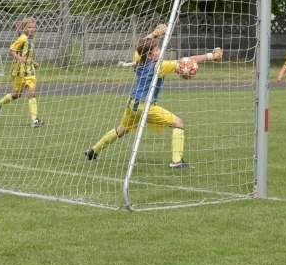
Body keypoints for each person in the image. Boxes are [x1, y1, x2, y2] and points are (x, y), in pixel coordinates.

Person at [85, 35, 223, 168]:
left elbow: (140, 46)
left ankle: (94, 150)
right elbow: (186, 61)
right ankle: (176, 162)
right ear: (150, 55)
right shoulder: (159, 67)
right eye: (156, 50)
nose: (159, 51)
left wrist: (154, 34)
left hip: (132, 103)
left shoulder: (139, 59)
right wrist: (211, 56)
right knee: (178, 123)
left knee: (122, 130)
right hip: (144, 105)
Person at [0, 17, 43, 127]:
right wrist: (19, 58)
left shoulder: (32, 39)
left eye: (34, 27)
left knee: (31, 92)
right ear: (25, 28)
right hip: (19, 72)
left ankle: (35, 120)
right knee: (17, 94)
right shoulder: (23, 38)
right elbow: (11, 51)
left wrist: (33, 62)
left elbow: (27, 54)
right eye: (29, 27)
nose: (32, 29)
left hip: (30, 73)